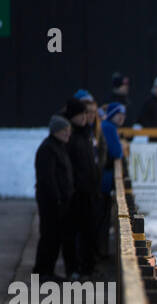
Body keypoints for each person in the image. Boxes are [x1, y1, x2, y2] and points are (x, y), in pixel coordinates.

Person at [62, 98, 100, 279]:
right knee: (72, 232)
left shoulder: (87, 134)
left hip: (89, 190)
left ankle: (88, 267)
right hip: (75, 192)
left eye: (87, 113)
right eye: (81, 114)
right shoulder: (70, 136)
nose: (85, 117)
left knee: (89, 231)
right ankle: (74, 268)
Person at [34, 114, 74, 280]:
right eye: (64, 130)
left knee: (55, 237)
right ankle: (42, 271)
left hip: (59, 200)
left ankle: (47, 270)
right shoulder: (48, 149)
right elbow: (47, 177)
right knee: (49, 236)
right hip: (51, 201)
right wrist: (57, 198)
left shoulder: (59, 146)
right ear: (55, 131)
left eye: (68, 130)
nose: (67, 134)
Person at [98, 102, 127, 258]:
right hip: (104, 181)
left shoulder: (107, 126)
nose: (122, 117)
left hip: (104, 180)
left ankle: (100, 250)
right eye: (119, 114)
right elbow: (117, 152)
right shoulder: (108, 127)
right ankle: (100, 252)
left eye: (124, 115)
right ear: (112, 114)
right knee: (102, 217)